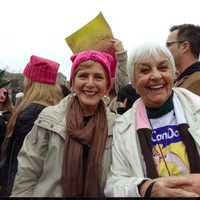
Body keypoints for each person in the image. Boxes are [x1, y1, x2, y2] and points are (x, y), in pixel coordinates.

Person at [11, 50, 116, 197]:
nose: (90, 83)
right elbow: (27, 173)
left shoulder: (118, 126)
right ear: (72, 83)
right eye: (83, 76)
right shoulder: (48, 119)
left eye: (98, 77)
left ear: (107, 86)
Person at [105, 43, 200, 197]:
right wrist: (145, 188)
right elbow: (114, 183)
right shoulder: (122, 127)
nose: (156, 76)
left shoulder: (197, 107)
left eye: (163, 68)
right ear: (133, 82)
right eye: (144, 70)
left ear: (174, 74)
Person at [0, 55, 63, 196]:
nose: (24, 82)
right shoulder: (56, 110)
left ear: (32, 81)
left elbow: (20, 163)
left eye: (26, 77)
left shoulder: (31, 114)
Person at [166, 24, 200, 95]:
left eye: (169, 45)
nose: (165, 50)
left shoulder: (197, 80)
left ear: (184, 46)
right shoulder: (179, 80)